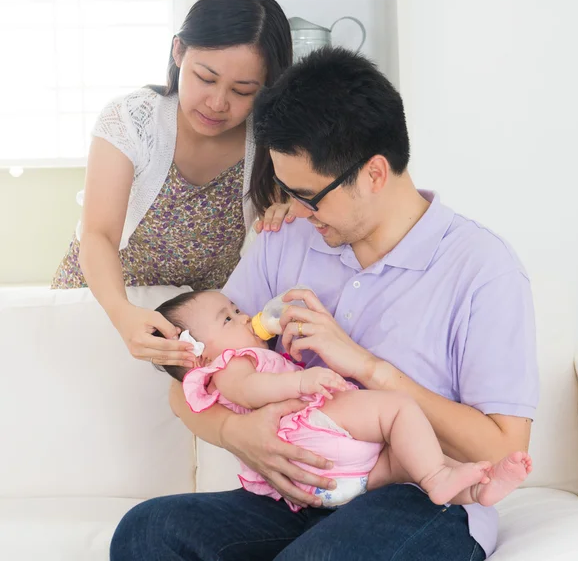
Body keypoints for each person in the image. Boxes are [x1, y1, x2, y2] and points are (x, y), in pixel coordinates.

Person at [110, 48, 539, 561]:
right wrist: (237, 432)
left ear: (374, 173)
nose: (298, 209)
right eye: (287, 190)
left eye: (310, 194)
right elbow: (194, 381)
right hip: (296, 495)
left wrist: (369, 368)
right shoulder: (285, 236)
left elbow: (501, 448)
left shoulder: (482, 269)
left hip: (419, 497)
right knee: (146, 533)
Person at [51, 0, 294, 367]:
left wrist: (288, 208)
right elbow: (98, 234)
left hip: (195, 331)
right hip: (108, 303)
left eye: (243, 90)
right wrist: (122, 313)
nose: (218, 103)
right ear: (179, 51)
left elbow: (295, 212)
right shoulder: (131, 121)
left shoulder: (270, 142)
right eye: (206, 78)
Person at [154, 289, 532, 512]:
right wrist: (303, 380)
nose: (245, 317)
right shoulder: (228, 366)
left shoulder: (238, 356)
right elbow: (250, 391)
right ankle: (441, 477)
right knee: (398, 411)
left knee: (403, 457)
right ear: (197, 357)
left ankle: (475, 488)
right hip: (307, 425)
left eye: (236, 309)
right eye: (228, 319)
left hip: (335, 482)